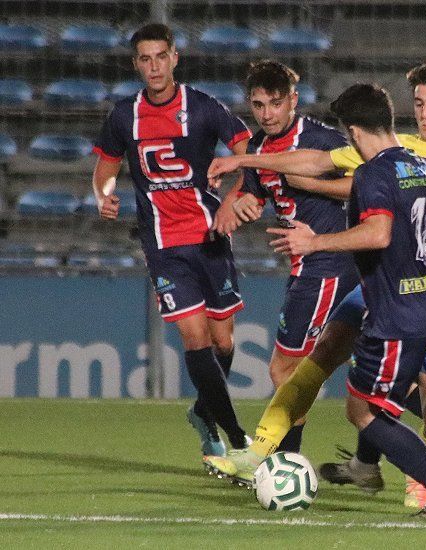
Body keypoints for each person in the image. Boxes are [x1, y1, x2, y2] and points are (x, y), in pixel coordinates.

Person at [203, 60, 426, 505]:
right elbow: (320, 161)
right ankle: (260, 452)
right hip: (378, 288)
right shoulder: (395, 149)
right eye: (419, 103)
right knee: (318, 365)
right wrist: (245, 160)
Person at [92, 23, 250, 459]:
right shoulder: (124, 115)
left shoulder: (202, 108)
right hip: (163, 246)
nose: (154, 66)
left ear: (175, 57)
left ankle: (204, 411)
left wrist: (231, 201)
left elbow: (248, 154)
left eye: (161, 56)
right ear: (135, 64)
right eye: (145, 59)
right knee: (196, 339)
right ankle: (235, 440)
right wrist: (104, 197)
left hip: (211, 237)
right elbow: (104, 169)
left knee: (223, 343)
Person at [227, 59, 359, 453]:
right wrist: (246, 204)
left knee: (284, 369)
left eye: (275, 103)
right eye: (258, 104)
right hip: (309, 264)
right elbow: (256, 191)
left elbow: (364, 183)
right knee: (365, 374)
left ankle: (281, 462)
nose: (267, 114)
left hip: (328, 264)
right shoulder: (257, 148)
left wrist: (314, 186)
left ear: (294, 101)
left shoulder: (321, 140)